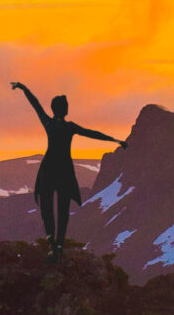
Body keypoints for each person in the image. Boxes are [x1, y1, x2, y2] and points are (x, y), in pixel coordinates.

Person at [11, 82, 118, 260]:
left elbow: (35, 104)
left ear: (53, 109)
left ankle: (52, 244)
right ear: (64, 110)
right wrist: (114, 140)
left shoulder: (49, 123)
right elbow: (92, 133)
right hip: (64, 171)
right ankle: (58, 245)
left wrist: (24, 88)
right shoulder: (70, 127)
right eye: (66, 106)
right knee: (63, 209)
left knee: (47, 208)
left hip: (48, 169)